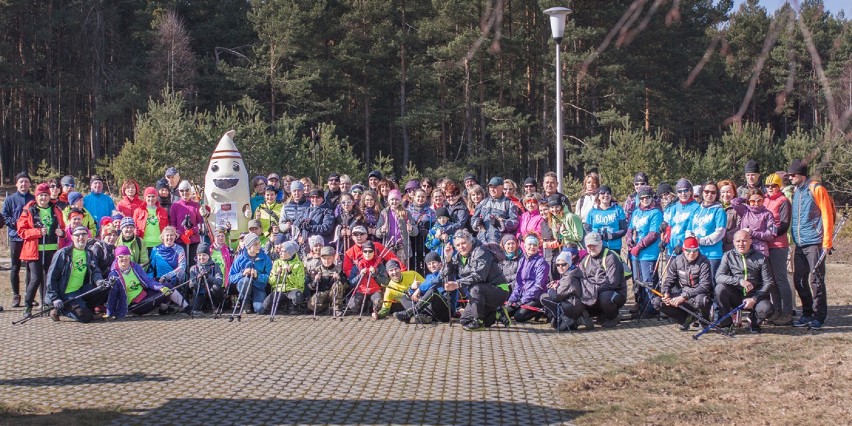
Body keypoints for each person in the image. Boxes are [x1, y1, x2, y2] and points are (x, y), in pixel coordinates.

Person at [787, 159, 835, 329]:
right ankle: (807, 313)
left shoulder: (816, 189)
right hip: (800, 243)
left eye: (792, 175)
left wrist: (827, 242)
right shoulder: (797, 191)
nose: (790, 178)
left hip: (815, 243)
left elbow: (827, 216)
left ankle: (818, 316)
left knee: (817, 280)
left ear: (801, 174)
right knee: (799, 280)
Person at [443, 230, 511, 331]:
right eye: (458, 245)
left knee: (475, 288)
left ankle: (478, 321)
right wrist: (448, 259)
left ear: (470, 241)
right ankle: (496, 312)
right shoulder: (459, 256)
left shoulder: (481, 251)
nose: (461, 247)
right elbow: (445, 274)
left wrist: (457, 284)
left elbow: (479, 276)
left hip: (499, 290)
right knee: (465, 321)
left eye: (464, 243)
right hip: (480, 293)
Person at [17, 183, 67, 317]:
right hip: (35, 251)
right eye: (40, 195)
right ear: (36, 197)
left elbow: (63, 227)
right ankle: (27, 306)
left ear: (49, 196)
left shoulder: (56, 210)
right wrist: (38, 232)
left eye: (45, 195)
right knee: (36, 278)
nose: (43, 198)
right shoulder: (29, 210)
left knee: (50, 278)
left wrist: (61, 233)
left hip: (52, 250)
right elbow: (21, 231)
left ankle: (47, 303)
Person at [45, 226, 110, 323]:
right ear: (72, 237)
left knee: (105, 287)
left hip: (81, 290)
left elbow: (95, 271)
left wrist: (99, 281)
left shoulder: (89, 253)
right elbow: (51, 277)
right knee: (85, 318)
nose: (81, 237)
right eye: (77, 235)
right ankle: (60, 310)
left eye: (84, 234)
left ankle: (84, 307)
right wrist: (55, 298)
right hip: (66, 293)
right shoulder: (63, 254)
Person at [105, 245, 190, 318]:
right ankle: (165, 310)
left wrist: (160, 287)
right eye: (121, 256)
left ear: (130, 256)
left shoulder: (135, 267)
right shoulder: (114, 275)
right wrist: (110, 313)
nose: (124, 258)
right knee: (164, 293)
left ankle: (186, 308)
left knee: (166, 287)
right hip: (136, 305)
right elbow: (112, 295)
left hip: (145, 294)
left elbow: (148, 281)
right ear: (116, 258)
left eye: (126, 255)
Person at [715, 230, 774, 332]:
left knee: (766, 309)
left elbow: (768, 282)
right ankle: (726, 324)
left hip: (755, 295)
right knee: (720, 288)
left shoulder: (761, 258)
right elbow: (719, 277)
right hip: (736, 295)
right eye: (738, 241)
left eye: (744, 241)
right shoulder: (728, 256)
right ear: (733, 242)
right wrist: (739, 281)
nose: (741, 244)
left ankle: (754, 321)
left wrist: (754, 299)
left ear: (750, 241)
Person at [658, 236, 712, 330]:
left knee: (702, 300)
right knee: (657, 302)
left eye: (695, 250)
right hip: (683, 293)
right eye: (688, 250)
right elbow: (669, 280)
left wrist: (684, 296)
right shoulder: (676, 261)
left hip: (698, 294)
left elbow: (704, 286)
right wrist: (665, 293)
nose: (692, 253)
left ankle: (704, 320)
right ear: (683, 249)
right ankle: (684, 319)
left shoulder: (704, 262)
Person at [626, 185, 663, 316]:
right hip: (635, 253)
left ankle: (651, 308)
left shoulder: (656, 213)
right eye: (642, 198)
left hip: (648, 252)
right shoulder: (636, 212)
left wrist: (638, 246)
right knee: (637, 281)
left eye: (647, 197)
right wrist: (629, 240)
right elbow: (630, 228)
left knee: (648, 281)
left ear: (652, 198)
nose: (645, 200)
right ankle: (641, 305)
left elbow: (653, 234)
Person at [762, 173, 793, 325]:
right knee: (771, 281)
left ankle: (787, 312)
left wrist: (770, 234)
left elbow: (784, 224)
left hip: (778, 245)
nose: (770, 188)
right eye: (768, 186)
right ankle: (777, 310)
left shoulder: (783, 201)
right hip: (765, 246)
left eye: (773, 185)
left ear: (779, 186)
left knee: (780, 279)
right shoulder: (765, 200)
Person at [579, 232, 627, 328]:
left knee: (604, 297)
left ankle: (613, 317)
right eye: (589, 246)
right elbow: (580, 278)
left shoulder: (610, 257)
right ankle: (598, 315)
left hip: (615, 293)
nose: (591, 248)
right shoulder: (585, 260)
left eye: (594, 245)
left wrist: (593, 290)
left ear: (600, 243)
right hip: (594, 292)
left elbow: (612, 283)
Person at [394, 251, 456, 323]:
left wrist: (419, 289)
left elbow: (435, 282)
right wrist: (412, 289)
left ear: (440, 264)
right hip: (432, 311)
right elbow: (423, 290)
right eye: (429, 264)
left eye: (434, 263)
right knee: (404, 297)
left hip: (446, 311)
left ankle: (409, 314)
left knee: (432, 291)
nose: (432, 266)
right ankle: (422, 316)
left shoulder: (446, 274)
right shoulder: (428, 277)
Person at [3, 172, 35, 308]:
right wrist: (17, 225)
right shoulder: (10, 199)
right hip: (16, 237)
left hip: (30, 238)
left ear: (30, 184)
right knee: (15, 267)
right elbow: (5, 216)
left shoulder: (33, 199)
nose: (24, 184)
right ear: (16, 184)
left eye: (26, 182)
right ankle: (16, 295)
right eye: (21, 182)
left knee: (30, 267)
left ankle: (30, 296)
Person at [506, 234, 549, 323]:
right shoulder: (522, 259)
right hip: (523, 295)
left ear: (538, 247)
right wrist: (512, 299)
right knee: (506, 312)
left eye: (535, 245)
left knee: (519, 317)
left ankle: (539, 311)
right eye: (529, 244)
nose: (532, 247)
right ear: (525, 246)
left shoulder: (542, 263)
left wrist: (522, 301)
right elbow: (518, 282)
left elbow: (538, 286)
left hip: (536, 297)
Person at [540, 248, 585, 331]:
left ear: (569, 264)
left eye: (563, 264)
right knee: (559, 327)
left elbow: (557, 296)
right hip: (572, 303)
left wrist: (551, 289)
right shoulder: (571, 272)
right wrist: (556, 285)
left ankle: (568, 318)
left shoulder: (569, 277)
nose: (560, 267)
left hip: (572, 306)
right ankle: (565, 319)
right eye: (558, 265)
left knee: (544, 297)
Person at [228, 232, 272, 314]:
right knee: (244, 281)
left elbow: (269, 277)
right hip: (245, 285)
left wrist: (257, 276)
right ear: (248, 246)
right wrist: (242, 273)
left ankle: (254, 302)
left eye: (259, 244)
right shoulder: (240, 259)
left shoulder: (265, 258)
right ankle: (245, 301)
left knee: (260, 310)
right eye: (255, 244)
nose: (259, 246)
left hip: (259, 287)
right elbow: (231, 278)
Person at [691, 181, 727, 279]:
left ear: (717, 194)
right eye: (707, 191)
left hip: (713, 254)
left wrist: (700, 241)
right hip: (696, 253)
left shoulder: (719, 211)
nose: (709, 194)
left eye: (713, 192)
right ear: (702, 192)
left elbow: (720, 233)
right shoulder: (696, 210)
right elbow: (690, 229)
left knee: (711, 284)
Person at [346, 240, 389, 320]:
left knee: (379, 303)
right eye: (365, 251)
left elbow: (385, 281)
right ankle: (365, 305)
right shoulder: (357, 265)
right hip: (361, 291)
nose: (367, 254)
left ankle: (372, 308)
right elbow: (351, 283)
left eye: (370, 251)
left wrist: (375, 275)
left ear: (374, 252)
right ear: (362, 252)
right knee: (354, 306)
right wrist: (360, 275)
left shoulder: (379, 265)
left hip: (375, 291)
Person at [149, 226, 187, 314]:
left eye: (171, 235)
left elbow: (182, 267)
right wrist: (149, 282)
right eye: (167, 235)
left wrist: (167, 276)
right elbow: (151, 268)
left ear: (175, 237)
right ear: (162, 237)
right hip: (159, 280)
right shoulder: (156, 249)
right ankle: (165, 307)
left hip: (175, 279)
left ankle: (169, 306)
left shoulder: (179, 249)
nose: (169, 238)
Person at [376, 190, 419, 269]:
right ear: (389, 200)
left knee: (402, 269)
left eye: (396, 199)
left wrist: (411, 228)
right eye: (392, 199)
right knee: (390, 270)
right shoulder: (384, 213)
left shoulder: (406, 213)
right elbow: (377, 233)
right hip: (389, 247)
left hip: (402, 247)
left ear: (400, 200)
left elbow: (415, 232)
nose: (394, 201)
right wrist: (382, 229)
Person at [470, 177, 519, 244]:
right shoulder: (483, 203)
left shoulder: (509, 204)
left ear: (501, 188)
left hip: (499, 243)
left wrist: (500, 223)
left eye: (495, 187)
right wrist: (477, 222)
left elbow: (515, 222)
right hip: (482, 242)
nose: (492, 189)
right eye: (490, 187)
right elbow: (473, 220)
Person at [264, 241, 306, 315]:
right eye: (280, 251)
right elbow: (271, 282)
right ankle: (282, 305)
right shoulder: (277, 262)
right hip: (279, 289)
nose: (280, 253)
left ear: (290, 253)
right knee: (265, 305)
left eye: (283, 251)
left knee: (297, 296)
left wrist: (290, 273)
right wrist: (277, 274)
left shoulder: (299, 264)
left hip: (292, 290)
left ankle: (293, 306)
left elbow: (300, 283)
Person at [306, 246, 349, 317]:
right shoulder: (316, 270)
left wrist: (339, 278)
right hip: (322, 293)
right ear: (320, 258)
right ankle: (324, 307)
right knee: (312, 305)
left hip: (334, 293)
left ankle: (337, 308)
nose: (326, 261)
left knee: (338, 284)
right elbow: (311, 287)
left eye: (329, 258)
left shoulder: (338, 270)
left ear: (333, 258)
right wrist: (315, 280)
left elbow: (347, 286)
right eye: (324, 258)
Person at [732, 189, 777, 257]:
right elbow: (734, 202)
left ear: (763, 201)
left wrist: (752, 233)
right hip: (745, 249)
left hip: (760, 250)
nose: (756, 204)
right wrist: (746, 199)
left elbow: (771, 235)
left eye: (759, 201)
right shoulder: (745, 211)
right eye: (753, 201)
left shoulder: (768, 214)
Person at [170, 180, 204, 267]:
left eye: (187, 190)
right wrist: (181, 234)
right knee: (181, 265)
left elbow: (201, 223)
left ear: (190, 191)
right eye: (182, 191)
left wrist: (192, 231)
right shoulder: (175, 206)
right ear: (179, 192)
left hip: (194, 241)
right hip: (180, 242)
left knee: (193, 265)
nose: (184, 193)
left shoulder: (196, 206)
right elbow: (173, 224)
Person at [584, 185, 627, 251]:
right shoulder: (592, 211)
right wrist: (594, 237)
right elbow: (587, 229)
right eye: (602, 193)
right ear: (598, 196)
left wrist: (612, 236)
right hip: (596, 247)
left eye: (608, 193)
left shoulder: (618, 209)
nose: (606, 195)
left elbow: (624, 229)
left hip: (614, 247)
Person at [665, 178, 700, 257]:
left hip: (685, 249)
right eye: (680, 191)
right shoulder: (674, 207)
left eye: (686, 190)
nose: (683, 193)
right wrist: (665, 241)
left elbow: (691, 228)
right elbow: (669, 226)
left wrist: (682, 243)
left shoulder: (696, 207)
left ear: (690, 191)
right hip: (671, 248)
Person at [135, 187, 169, 254]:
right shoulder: (138, 211)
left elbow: (167, 227)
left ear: (156, 197)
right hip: (144, 244)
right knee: (146, 264)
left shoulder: (163, 211)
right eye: (149, 196)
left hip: (159, 243)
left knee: (158, 264)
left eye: (153, 196)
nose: (151, 199)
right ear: (145, 198)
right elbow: (134, 226)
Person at [407, 189, 434, 273]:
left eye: (423, 197)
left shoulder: (431, 212)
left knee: (426, 262)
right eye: (418, 196)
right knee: (413, 263)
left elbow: (435, 226)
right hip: (412, 241)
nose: (420, 199)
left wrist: (428, 232)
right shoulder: (407, 211)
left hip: (425, 241)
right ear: (414, 197)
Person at [717, 179, 740, 252]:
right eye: (723, 192)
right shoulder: (716, 207)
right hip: (716, 245)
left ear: (734, 193)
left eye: (728, 192)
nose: (725, 195)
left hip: (730, 246)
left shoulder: (738, 208)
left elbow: (740, 226)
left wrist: (726, 236)